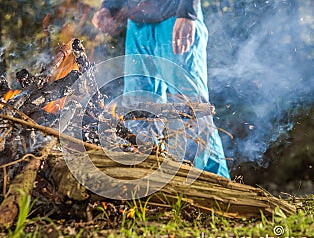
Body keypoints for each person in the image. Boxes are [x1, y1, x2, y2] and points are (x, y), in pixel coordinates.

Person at [92, 0, 230, 179]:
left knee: (191, 111)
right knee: (138, 111)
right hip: (138, 24)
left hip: (175, 17)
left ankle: (220, 186)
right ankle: (150, 183)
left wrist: (188, 13)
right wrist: (109, 7)